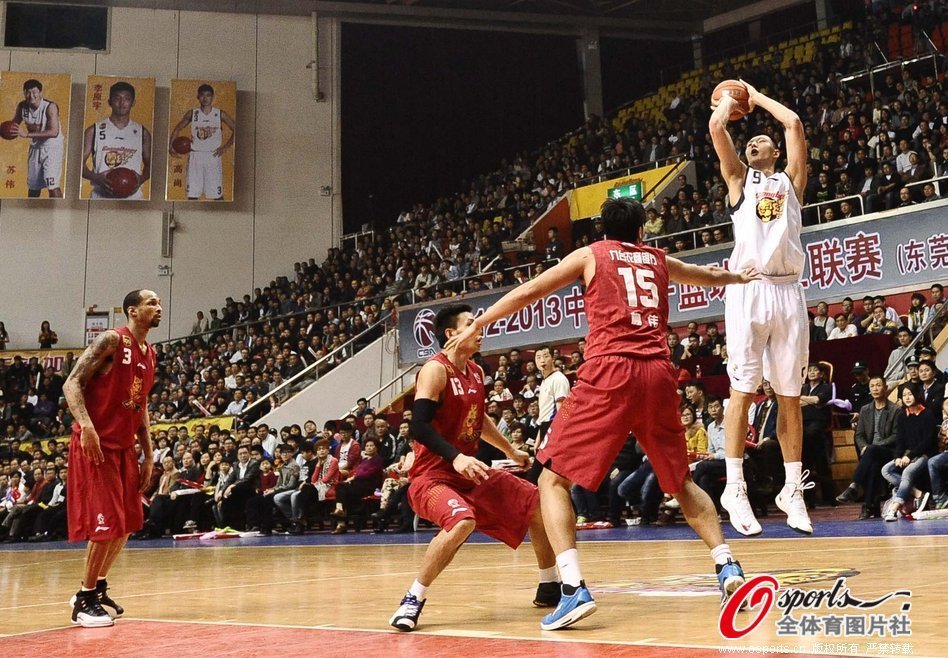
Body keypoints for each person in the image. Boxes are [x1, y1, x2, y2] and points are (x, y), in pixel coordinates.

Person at [447, 197, 755, 630]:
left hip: (611, 371)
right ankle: (728, 568)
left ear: (602, 232)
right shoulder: (658, 258)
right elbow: (707, 277)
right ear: (642, 232)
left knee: (551, 478)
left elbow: (532, 290)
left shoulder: (592, 254)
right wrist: (739, 277)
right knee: (680, 481)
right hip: (659, 375)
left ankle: (572, 588)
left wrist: (481, 322)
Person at [389, 304, 558, 632]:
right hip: (432, 476)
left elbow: (478, 421)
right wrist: (457, 457)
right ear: (451, 334)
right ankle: (412, 598)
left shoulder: (477, 372)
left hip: (469, 473)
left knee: (537, 502)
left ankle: (549, 584)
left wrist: (511, 449)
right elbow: (419, 427)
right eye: (471, 325)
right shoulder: (435, 371)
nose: (480, 330)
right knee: (463, 521)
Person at [709, 79, 813, 536]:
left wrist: (753, 94)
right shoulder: (739, 180)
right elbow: (717, 131)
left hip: (789, 291)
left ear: (775, 152)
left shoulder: (792, 181)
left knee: (789, 395)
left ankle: (792, 488)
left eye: (761, 140)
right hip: (748, 288)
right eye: (749, 140)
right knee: (744, 389)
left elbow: (791, 122)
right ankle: (734, 486)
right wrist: (728, 105)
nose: (753, 143)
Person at [63, 290, 160, 627]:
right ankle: (83, 599)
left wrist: (148, 454)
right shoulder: (112, 341)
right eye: (151, 303)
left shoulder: (150, 353)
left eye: (159, 303)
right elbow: (72, 382)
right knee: (105, 525)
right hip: (96, 445)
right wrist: (86, 426)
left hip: (123, 447)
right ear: (132, 311)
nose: (158, 307)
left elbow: (141, 404)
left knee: (127, 524)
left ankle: (98, 587)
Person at [837, 377, 898, 519]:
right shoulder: (865, 410)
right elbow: (859, 434)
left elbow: (896, 436)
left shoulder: (895, 410)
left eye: (878, 385)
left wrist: (872, 447)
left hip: (889, 451)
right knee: (873, 466)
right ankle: (869, 506)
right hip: (870, 453)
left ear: (885, 387)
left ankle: (854, 486)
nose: (875, 388)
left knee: (872, 453)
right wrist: (864, 447)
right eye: (872, 386)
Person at [81, 81, 152, 199]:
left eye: (127, 99)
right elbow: (79, 165)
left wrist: (141, 179)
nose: (121, 103)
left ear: (133, 103)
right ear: (109, 102)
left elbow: (151, 166)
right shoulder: (94, 130)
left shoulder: (142, 132)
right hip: (101, 196)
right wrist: (95, 177)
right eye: (117, 98)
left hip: (132, 198)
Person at [168, 84, 235, 200]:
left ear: (212, 97)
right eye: (202, 95)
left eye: (208, 95)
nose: (205, 98)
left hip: (213, 155)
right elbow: (178, 128)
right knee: (192, 195)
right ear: (198, 97)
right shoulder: (193, 114)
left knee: (217, 196)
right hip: (196, 155)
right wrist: (171, 146)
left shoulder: (219, 114)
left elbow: (236, 129)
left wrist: (225, 147)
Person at [10, 78, 64, 198]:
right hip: (35, 148)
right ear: (24, 93)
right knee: (33, 187)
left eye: (34, 92)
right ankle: (30, 214)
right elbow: (12, 126)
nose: (31, 95)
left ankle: (59, 211)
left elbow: (54, 132)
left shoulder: (50, 107)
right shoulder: (22, 106)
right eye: (28, 92)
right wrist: (7, 131)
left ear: (40, 93)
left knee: (52, 185)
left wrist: (27, 134)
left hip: (52, 148)